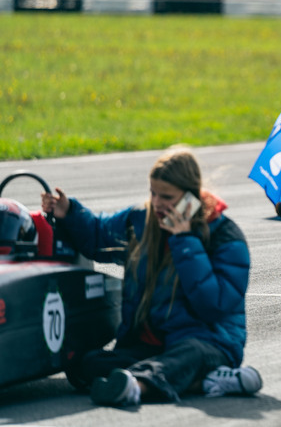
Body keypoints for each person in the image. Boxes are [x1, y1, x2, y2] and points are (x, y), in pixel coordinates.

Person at [39, 148, 261, 407]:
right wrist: (69, 211)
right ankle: (205, 382)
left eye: (166, 197)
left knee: (188, 355)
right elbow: (99, 236)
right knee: (86, 364)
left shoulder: (225, 235)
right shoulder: (141, 220)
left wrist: (185, 242)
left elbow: (214, 306)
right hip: (151, 346)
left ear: (190, 197)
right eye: (153, 193)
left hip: (208, 343)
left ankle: (136, 387)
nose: (157, 203)